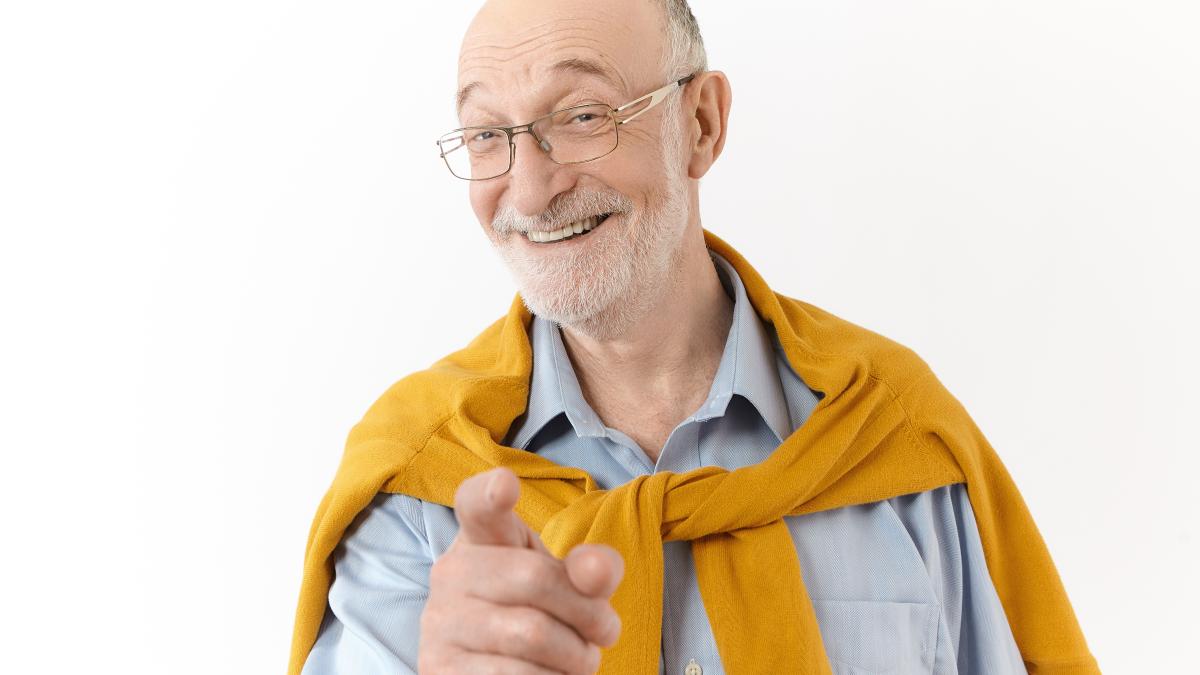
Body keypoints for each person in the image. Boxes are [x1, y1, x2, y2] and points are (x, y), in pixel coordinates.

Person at [289, 1, 1099, 673]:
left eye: (582, 116)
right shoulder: (421, 480)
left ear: (702, 123)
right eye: (488, 135)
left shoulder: (891, 432)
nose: (531, 191)